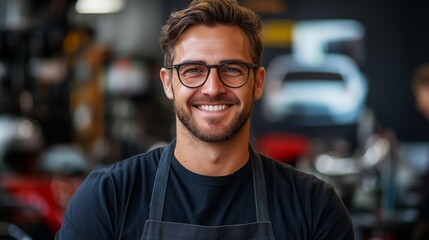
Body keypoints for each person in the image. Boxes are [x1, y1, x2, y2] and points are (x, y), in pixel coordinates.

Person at [55, 0, 354, 239]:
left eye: (233, 69)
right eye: (193, 70)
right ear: (168, 83)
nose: (213, 88)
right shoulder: (108, 198)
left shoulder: (314, 207)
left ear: (258, 82)